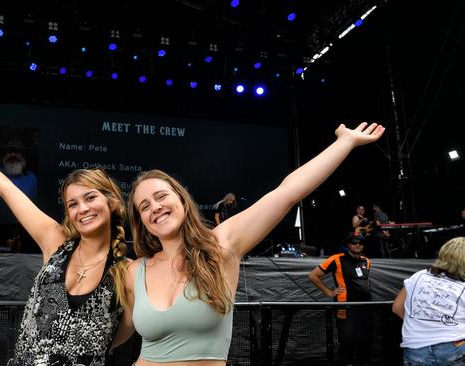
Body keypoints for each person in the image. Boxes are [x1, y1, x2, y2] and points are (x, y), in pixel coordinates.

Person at [118, 122, 385, 365]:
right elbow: (114, 333)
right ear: (141, 221)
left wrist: (344, 142)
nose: (155, 207)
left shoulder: (221, 244)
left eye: (161, 196)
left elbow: (287, 192)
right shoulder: (135, 271)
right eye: (144, 206)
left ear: (181, 200)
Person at [0, 129, 131, 365]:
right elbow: (7, 189)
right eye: (73, 204)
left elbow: (119, 335)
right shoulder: (56, 242)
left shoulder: (127, 271)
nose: (82, 209)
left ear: (111, 201)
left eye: (90, 198)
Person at [392, 237, 465, 365]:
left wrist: (420, 325)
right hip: (454, 346)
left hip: (415, 348)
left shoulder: (420, 275)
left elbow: (397, 307)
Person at [309, 232, 373, 365]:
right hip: (346, 306)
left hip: (365, 307)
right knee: (347, 339)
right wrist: (329, 292)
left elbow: (366, 281)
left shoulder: (366, 261)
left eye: (360, 242)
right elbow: (313, 275)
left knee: (364, 339)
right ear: (348, 244)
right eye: (354, 242)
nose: (357, 245)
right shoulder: (336, 259)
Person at [0, 137, 38, 202]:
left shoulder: (31, 178)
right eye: (9, 151)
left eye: (17, 151)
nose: (13, 155)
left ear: (23, 155)